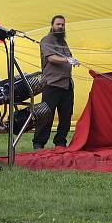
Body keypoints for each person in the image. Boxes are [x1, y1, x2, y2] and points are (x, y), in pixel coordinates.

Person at [33, 15, 80, 150]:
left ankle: (60, 142)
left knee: (66, 116)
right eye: (58, 24)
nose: (60, 27)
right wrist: (68, 60)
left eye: (63, 25)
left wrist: (72, 61)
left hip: (66, 85)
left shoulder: (63, 42)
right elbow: (52, 58)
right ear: (52, 25)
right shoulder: (46, 40)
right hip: (52, 84)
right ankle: (39, 143)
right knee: (46, 115)